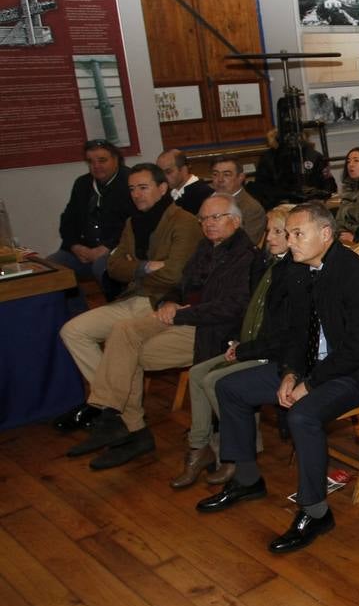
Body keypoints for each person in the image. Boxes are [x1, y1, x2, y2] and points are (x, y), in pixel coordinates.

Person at [196, 203, 359, 554]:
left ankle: (315, 511)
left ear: (325, 234)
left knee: (303, 414)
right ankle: (246, 479)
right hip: (311, 367)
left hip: (356, 374)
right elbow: (294, 334)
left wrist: (310, 382)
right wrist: (291, 373)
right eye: (287, 234)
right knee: (229, 387)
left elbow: (358, 350)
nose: (290, 242)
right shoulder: (299, 271)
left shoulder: (357, 276)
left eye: (297, 234)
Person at [66, 192, 257, 469]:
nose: (208, 223)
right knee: (122, 331)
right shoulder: (206, 248)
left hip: (209, 329)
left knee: (126, 355)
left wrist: (183, 312)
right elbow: (180, 283)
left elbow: (233, 308)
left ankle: (130, 429)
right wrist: (168, 300)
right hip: (181, 314)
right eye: (204, 218)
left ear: (236, 221)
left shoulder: (245, 256)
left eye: (217, 217)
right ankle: (112, 416)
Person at [56, 163, 201, 434]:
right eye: (132, 189)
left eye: (143, 187)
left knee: (119, 342)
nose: (136, 194)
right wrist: (146, 266)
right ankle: (110, 402)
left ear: (162, 188)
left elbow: (174, 275)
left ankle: (111, 410)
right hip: (133, 297)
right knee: (72, 331)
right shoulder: (133, 223)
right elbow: (113, 266)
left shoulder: (184, 222)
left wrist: (133, 266)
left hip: (159, 301)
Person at [176, 204, 297, 490]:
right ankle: (199, 447)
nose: (269, 238)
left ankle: (236, 456)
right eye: (268, 231)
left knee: (215, 381)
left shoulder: (291, 273)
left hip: (270, 355)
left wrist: (244, 350)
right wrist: (238, 344)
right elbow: (251, 314)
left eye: (278, 231)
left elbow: (281, 336)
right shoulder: (266, 265)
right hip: (254, 345)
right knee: (197, 373)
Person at [50, 139, 135, 306]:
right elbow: (67, 220)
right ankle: (77, 314)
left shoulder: (130, 182)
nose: (96, 166)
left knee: (102, 268)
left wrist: (107, 248)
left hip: (116, 250)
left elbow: (134, 223)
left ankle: (119, 310)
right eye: (90, 161)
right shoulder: (82, 184)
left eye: (102, 160)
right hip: (83, 249)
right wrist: (75, 246)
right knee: (54, 267)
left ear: (116, 159)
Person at [209, 156, 266, 244]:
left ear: (240, 177)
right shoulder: (207, 201)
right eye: (215, 174)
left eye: (226, 174)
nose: (220, 179)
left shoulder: (252, 209)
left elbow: (246, 245)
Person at [157, 149, 212, 215]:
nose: (163, 177)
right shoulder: (164, 195)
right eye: (160, 173)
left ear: (184, 169)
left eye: (168, 172)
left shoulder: (204, 194)